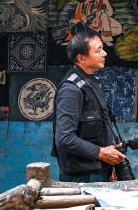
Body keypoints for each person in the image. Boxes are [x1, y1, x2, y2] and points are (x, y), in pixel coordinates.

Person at [52, 27, 126, 182]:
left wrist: (109, 161)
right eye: (98, 51)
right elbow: (65, 138)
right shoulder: (71, 89)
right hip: (82, 177)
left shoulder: (91, 82)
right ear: (81, 58)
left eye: (103, 49)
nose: (104, 54)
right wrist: (101, 153)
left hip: (99, 171)